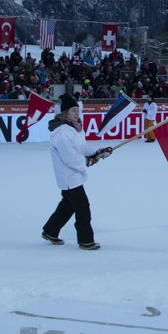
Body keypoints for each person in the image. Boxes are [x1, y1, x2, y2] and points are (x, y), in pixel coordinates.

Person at [42, 94, 112, 250]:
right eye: (73, 110)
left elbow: (82, 148)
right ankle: (86, 240)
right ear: (64, 113)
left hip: (73, 175)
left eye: (77, 110)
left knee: (67, 205)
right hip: (69, 176)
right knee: (82, 207)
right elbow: (71, 158)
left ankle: (50, 231)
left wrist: (97, 152)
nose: (76, 113)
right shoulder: (62, 132)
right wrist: (89, 161)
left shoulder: (74, 127)